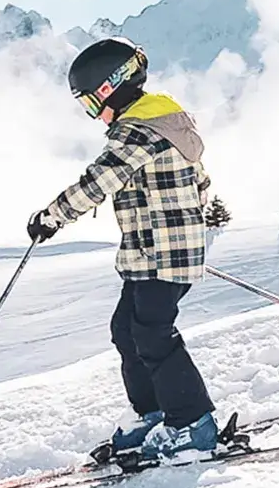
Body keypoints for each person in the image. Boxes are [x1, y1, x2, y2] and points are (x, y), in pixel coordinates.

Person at [26, 38, 221, 463]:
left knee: (152, 333)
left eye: (92, 103)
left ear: (112, 86)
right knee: (126, 330)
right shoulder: (161, 125)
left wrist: (52, 216)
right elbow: (201, 182)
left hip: (163, 256)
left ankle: (194, 423)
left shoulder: (140, 131)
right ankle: (154, 412)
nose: (93, 115)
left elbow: (101, 180)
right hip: (148, 253)